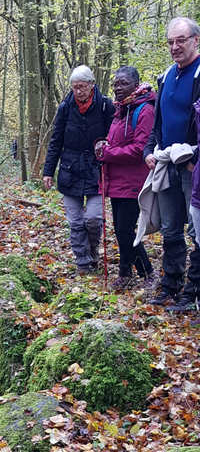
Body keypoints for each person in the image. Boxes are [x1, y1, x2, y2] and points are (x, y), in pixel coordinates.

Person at [143, 16, 200, 310]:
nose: (175, 47)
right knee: (171, 229)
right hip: (166, 163)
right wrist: (150, 150)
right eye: (170, 42)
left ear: (196, 40)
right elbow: (159, 123)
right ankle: (171, 285)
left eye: (181, 40)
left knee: (197, 232)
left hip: (192, 166)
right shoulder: (165, 76)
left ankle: (192, 293)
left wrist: (195, 161)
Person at [43, 65, 115, 274]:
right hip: (69, 170)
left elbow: (114, 136)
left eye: (82, 87)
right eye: (74, 87)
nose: (78, 91)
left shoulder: (105, 106)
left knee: (92, 219)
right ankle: (83, 263)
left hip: (96, 170)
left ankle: (92, 251)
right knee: (75, 222)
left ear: (91, 85)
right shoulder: (65, 107)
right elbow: (55, 141)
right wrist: (48, 171)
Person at [95, 66, 155, 291]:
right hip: (116, 180)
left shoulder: (144, 110)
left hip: (134, 181)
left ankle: (141, 272)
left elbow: (140, 148)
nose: (118, 88)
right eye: (116, 83)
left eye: (123, 83)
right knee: (122, 230)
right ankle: (131, 272)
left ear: (136, 83)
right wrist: (103, 146)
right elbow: (117, 142)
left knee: (125, 230)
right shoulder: (120, 110)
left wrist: (108, 153)